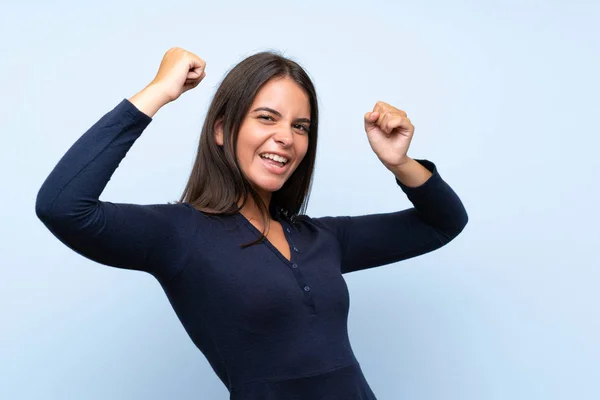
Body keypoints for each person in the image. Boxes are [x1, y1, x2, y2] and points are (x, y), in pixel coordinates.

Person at [35, 47, 468, 399]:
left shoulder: (322, 238)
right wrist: (157, 92)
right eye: (267, 117)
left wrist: (400, 162)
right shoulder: (179, 235)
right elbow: (61, 205)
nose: (287, 137)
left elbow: (443, 222)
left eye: (301, 126)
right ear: (222, 130)